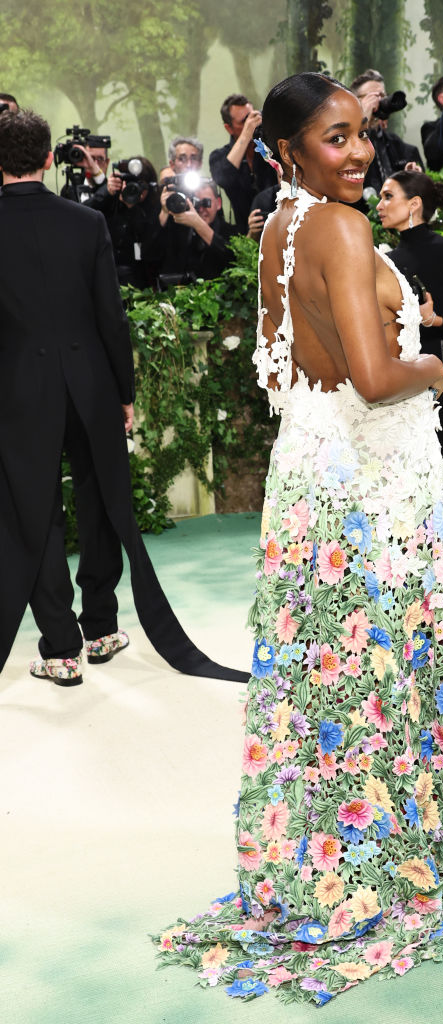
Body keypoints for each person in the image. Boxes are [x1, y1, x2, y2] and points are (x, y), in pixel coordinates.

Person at [153, 71, 443, 1004]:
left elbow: (281, 364)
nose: (358, 153)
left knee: (328, 672)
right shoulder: (346, 229)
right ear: (288, 151)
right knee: (386, 660)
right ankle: (399, 862)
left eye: (362, 133)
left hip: (308, 477)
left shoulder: (276, 226)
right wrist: (436, 363)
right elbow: (372, 373)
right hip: (375, 485)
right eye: (334, 138)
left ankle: (325, 856)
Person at [0, 109, 247, 683]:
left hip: (17, 391)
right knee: (100, 501)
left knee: (34, 513)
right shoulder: (85, 224)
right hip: (91, 383)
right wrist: (124, 390)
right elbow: (111, 317)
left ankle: (60, 649)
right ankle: (103, 628)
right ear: (45, 159)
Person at [377, 171, 443, 612]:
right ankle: (417, 585)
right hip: (398, 373)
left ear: (414, 203)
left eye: (388, 196)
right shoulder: (384, 258)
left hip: (442, 371)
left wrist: (436, 321)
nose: (379, 203)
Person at [209, 94, 279, 234]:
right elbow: (224, 178)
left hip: (280, 222)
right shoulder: (219, 156)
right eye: (243, 122)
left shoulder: (268, 146)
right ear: (229, 128)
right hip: (246, 233)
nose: (251, 124)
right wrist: (246, 134)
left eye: (252, 117)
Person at [88, 156, 160, 288]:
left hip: (141, 280)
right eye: (131, 183)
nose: (135, 188)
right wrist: (106, 192)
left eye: (141, 185)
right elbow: (84, 214)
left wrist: (133, 209)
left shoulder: (154, 208)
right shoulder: (110, 201)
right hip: (107, 276)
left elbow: (150, 243)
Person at [151, 178, 237, 285]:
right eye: (196, 203)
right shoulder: (181, 230)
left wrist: (198, 224)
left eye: (206, 203)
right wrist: (165, 211)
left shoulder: (231, 231)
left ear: (218, 203)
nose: (200, 209)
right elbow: (151, 254)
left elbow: (233, 259)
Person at [350, 69, 423, 194]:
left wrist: (411, 177)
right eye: (373, 96)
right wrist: (363, 121)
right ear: (355, 101)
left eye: (382, 96)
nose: (379, 101)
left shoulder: (398, 146)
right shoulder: (346, 143)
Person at [59, 136, 111, 204]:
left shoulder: (113, 191)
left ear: (107, 162)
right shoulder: (68, 191)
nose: (95, 165)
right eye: (91, 158)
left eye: (100, 159)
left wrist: (98, 174)